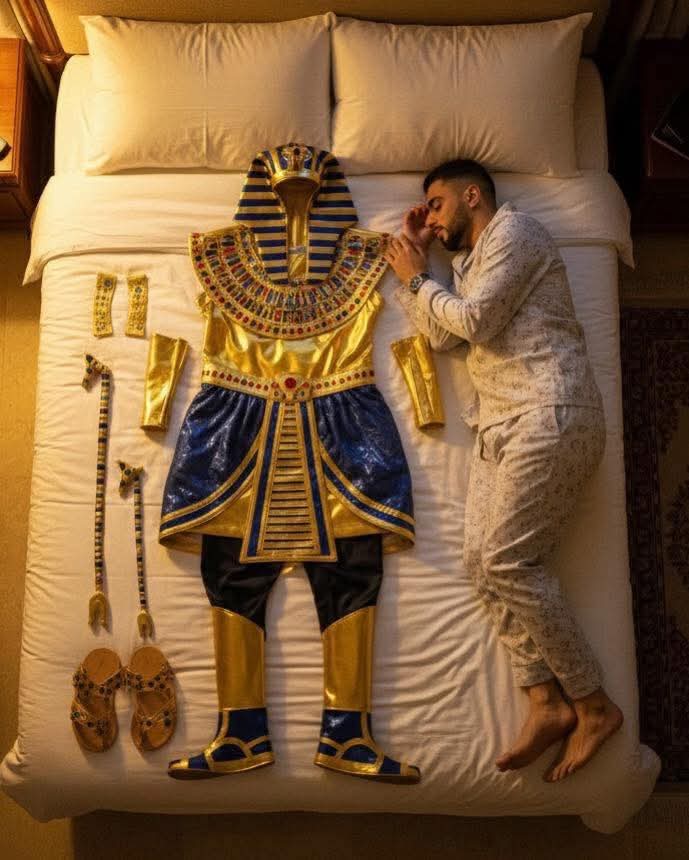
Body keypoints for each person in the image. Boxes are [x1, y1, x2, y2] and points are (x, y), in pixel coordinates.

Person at [384, 158, 624, 782]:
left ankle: (593, 703)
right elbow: (445, 339)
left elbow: (475, 322)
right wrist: (420, 264)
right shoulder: (466, 265)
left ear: (473, 195)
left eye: (437, 205)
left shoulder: (517, 232)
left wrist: (416, 279)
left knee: (509, 561)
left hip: (550, 406)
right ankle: (545, 700)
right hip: (502, 424)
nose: (432, 219)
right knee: (479, 562)